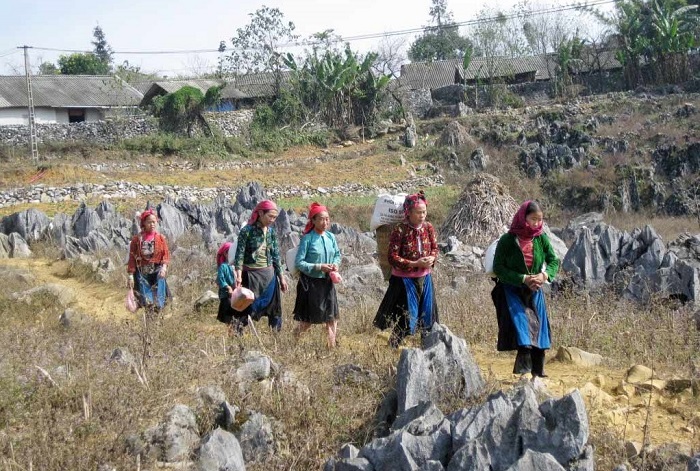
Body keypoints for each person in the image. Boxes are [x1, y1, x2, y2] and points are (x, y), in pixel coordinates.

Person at [491, 200, 560, 379]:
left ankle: (537, 372)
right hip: (513, 290)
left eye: (540, 220)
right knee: (522, 327)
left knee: (539, 328)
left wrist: (544, 276)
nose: (537, 223)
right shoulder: (508, 240)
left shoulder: (541, 238)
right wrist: (523, 278)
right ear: (523, 218)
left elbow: (554, 260)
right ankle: (524, 373)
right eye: (533, 219)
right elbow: (499, 267)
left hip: (535, 289)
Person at [374, 191, 439, 348]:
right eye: (418, 212)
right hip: (404, 280)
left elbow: (435, 248)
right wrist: (415, 263)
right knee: (407, 317)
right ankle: (392, 347)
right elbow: (393, 257)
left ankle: (427, 350)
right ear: (408, 213)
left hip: (425, 277)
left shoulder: (428, 228)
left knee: (428, 315)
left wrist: (432, 258)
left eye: (424, 212)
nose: (422, 215)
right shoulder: (400, 230)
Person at [233, 200, 288, 332]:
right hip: (250, 276)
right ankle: (237, 339)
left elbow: (275, 255)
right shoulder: (247, 231)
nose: (272, 220)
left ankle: (276, 338)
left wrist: (281, 277)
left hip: (269, 276)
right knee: (245, 308)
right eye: (270, 216)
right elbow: (239, 254)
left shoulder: (271, 232)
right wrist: (239, 276)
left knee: (274, 310)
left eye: (275, 217)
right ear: (261, 213)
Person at [293, 202, 342, 348]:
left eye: (327, 219)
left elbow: (337, 255)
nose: (325, 222)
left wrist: (335, 264)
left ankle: (331, 347)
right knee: (308, 321)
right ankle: (293, 339)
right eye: (321, 219)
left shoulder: (331, 237)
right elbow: (299, 263)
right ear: (313, 221)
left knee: (332, 317)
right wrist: (319, 267)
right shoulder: (307, 239)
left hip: (327, 282)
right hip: (311, 283)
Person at [127, 208, 171, 314]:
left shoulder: (160, 238)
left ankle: (160, 317)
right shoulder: (137, 240)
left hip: (157, 272)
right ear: (143, 223)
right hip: (142, 273)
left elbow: (165, 254)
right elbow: (132, 257)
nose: (152, 224)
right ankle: (150, 323)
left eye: (154, 222)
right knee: (148, 302)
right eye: (149, 222)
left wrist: (164, 268)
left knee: (159, 299)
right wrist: (130, 275)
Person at [215, 241, 237, 333]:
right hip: (227, 296)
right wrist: (228, 287)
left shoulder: (234, 266)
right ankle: (231, 334)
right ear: (225, 253)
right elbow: (220, 280)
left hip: (235, 295)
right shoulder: (223, 267)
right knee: (229, 318)